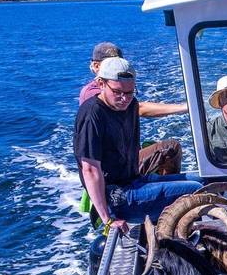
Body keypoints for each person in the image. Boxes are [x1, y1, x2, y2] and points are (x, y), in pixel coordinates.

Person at [75, 56, 202, 233]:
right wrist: (108, 219)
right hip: (118, 198)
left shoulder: (129, 105)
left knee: (204, 179)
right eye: (118, 92)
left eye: (129, 92)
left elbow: (144, 107)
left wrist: (186, 107)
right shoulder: (92, 115)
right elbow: (89, 169)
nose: (124, 98)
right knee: (198, 191)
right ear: (101, 84)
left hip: (135, 181)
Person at [78, 42, 187, 176]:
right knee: (170, 147)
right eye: (110, 63)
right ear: (96, 66)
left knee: (165, 149)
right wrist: (183, 107)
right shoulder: (93, 95)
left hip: (125, 158)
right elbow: (139, 108)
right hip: (114, 170)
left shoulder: (122, 90)